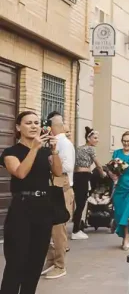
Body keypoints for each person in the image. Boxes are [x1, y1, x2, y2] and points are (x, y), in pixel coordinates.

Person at [0, 111, 60, 294]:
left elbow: (57, 172)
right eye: (28, 123)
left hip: (43, 209)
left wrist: (53, 151)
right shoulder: (10, 153)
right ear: (18, 127)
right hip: (21, 210)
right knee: (16, 265)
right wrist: (35, 149)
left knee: (35, 264)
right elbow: (20, 173)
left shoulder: (45, 151)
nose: (34, 126)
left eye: (37, 122)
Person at [42, 112, 75, 280]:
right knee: (50, 230)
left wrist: (50, 160)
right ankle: (51, 262)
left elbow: (67, 166)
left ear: (53, 127)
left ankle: (60, 265)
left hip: (61, 189)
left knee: (58, 232)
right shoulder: (55, 142)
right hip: (53, 189)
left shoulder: (64, 143)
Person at [72, 127, 105, 240]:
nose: (97, 140)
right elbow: (98, 164)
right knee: (81, 204)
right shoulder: (91, 149)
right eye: (95, 138)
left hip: (76, 176)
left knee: (78, 203)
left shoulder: (78, 148)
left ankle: (78, 224)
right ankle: (76, 230)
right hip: (84, 176)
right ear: (88, 138)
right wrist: (102, 174)